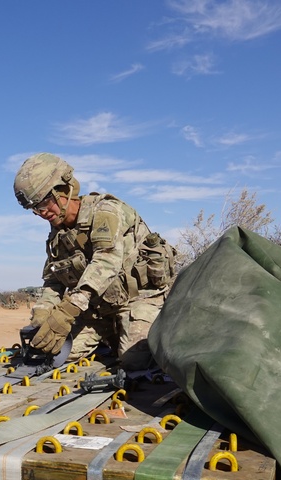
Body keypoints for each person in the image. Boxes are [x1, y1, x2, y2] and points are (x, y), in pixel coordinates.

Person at [13, 152, 176, 370]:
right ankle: (111, 333)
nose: (41, 213)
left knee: (134, 362)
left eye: (44, 203)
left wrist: (67, 311)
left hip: (139, 300)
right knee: (56, 355)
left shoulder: (105, 211)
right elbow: (54, 281)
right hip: (97, 310)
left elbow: (106, 261)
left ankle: (145, 330)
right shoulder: (57, 236)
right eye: (34, 208)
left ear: (64, 189)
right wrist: (42, 312)